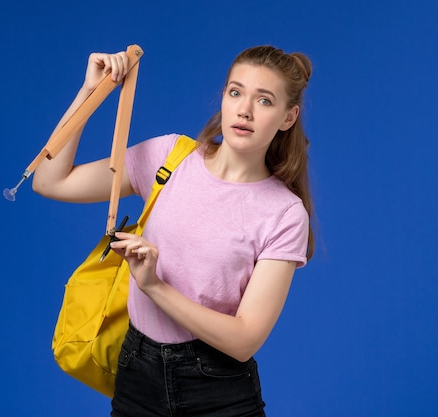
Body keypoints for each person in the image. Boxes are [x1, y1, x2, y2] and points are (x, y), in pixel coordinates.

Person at [33, 44, 315, 417]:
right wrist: (90, 92)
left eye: (264, 101)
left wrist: (153, 286)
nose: (244, 110)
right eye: (236, 92)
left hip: (217, 389)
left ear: (287, 117)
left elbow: (245, 339)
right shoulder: (170, 158)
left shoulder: (284, 213)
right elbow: (51, 181)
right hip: (136, 373)